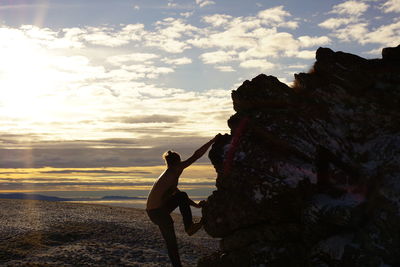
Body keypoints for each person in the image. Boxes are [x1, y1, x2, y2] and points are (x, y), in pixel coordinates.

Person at [146, 135, 218, 267]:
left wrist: (195, 205)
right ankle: (189, 227)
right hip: (158, 212)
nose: (182, 163)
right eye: (180, 161)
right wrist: (212, 141)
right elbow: (196, 155)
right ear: (177, 161)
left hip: (154, 211)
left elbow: (180, 197)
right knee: (171, 242)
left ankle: (189, 227)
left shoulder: (169, 174)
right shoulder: (174, 170)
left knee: (181, 195)